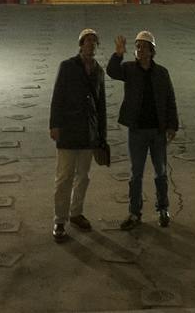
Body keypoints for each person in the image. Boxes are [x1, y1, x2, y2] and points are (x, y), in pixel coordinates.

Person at [107, 30, 179, 229]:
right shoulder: (129, 69)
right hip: (137, 131)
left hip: (157, 131)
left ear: (151, 51)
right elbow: (112, 71)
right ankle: (134, 212)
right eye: (137, 46)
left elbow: (170, 99)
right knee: (136, 174)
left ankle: (163, 209)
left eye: (143, 47)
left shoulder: (162, 73)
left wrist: (172, 125)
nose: (139, 50)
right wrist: (118, 53)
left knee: (161, 172)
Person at [48, 27, 106, 243]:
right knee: (64, 177)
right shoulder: (67, 67)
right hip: (68, 129)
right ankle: (59, 220)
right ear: (80, 45)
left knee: (83, 176)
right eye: (87, 41)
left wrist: (101, 135)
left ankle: (76, 212)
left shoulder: (99, 71)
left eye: (94, 41)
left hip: (88, 133)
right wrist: (54, 124)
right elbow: (57, 96)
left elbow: (101, 106)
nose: (91, 45)